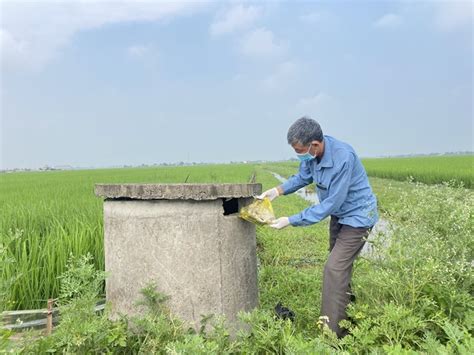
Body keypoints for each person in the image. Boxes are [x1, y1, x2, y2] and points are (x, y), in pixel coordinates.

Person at [257, 116, 378, 338]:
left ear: (315, 144)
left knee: (334, 268)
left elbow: (332, 203)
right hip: (340, 216)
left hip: (358, 216)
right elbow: (302, 177)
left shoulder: (343, 157)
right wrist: (276, 191)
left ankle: (333, 335)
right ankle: (350, 316)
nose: (299, 154)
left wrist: (290, 220)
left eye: (300, 150)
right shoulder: (312, 156)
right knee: (339, 268)